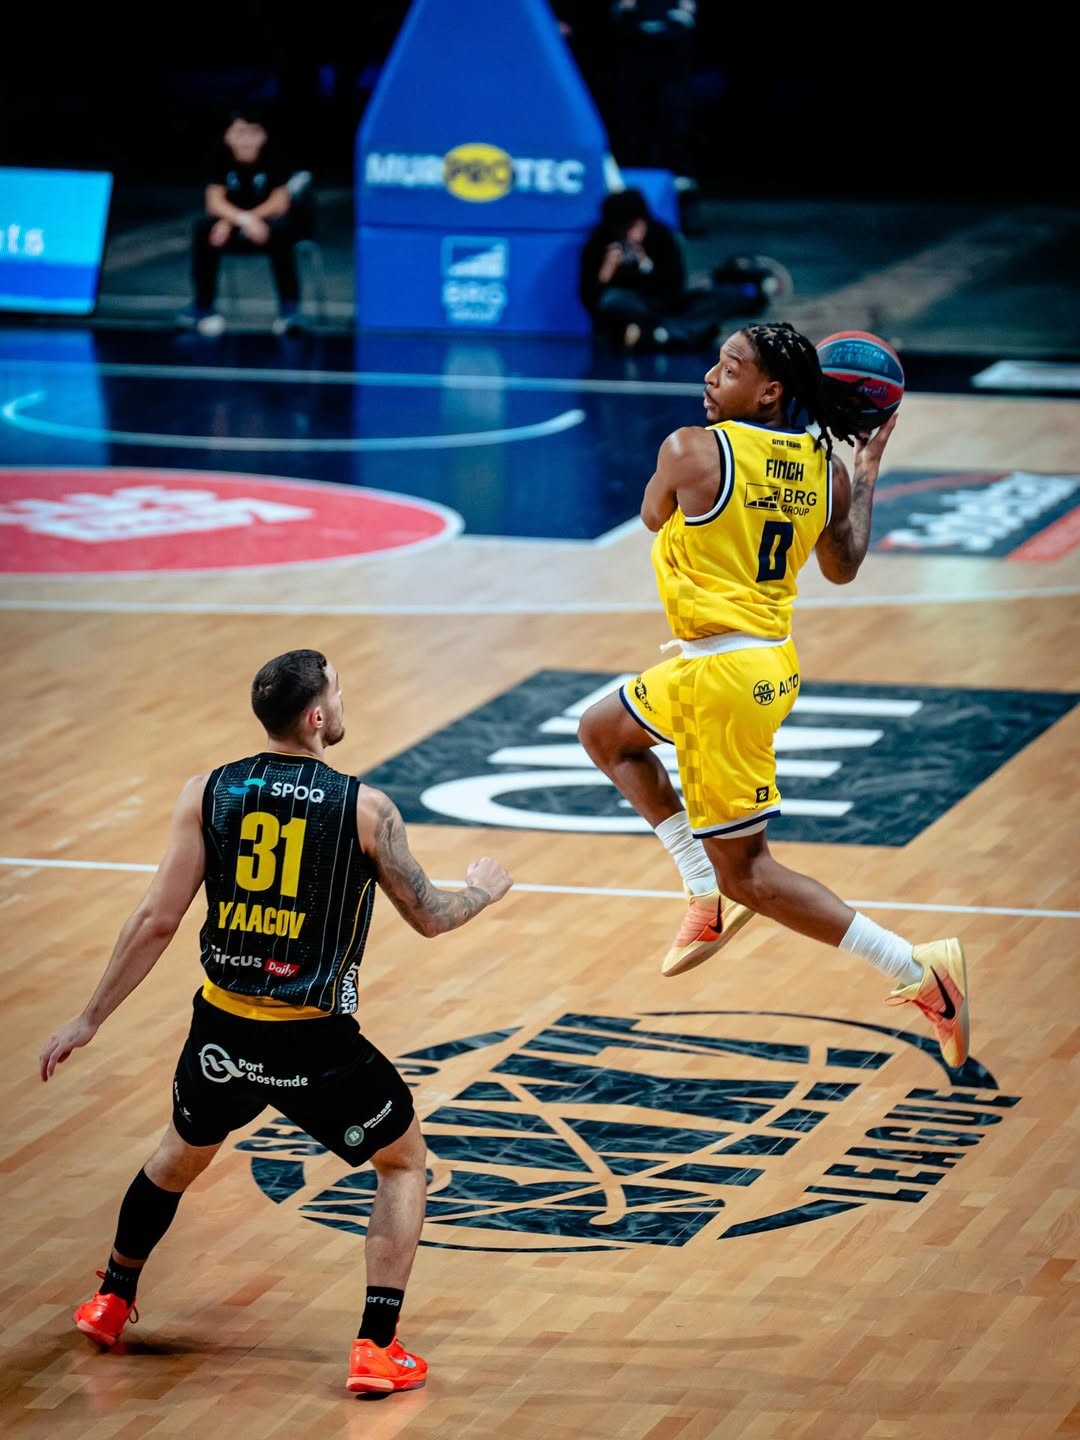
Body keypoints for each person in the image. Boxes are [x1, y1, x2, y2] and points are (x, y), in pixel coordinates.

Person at [39, 649, 513, 1395]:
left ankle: (112, 1299)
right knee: (403, 1163)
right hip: (314, 1041)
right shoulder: (365, 808)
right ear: (317, 717)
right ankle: (375, 1348)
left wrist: (88, 1018)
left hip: (222, 1031)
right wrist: (482, 891)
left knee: (176, 1158)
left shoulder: (208, 791)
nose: (345, 700)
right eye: (339, 691)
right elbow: (430, 916)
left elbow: (156, 919)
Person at [577, 322, 969, 1071]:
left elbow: (653, 517)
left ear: (770, 391)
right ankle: (704, 892)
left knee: (752, 874)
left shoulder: (691, 450)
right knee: (604, 731)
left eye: (729, 369)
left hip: (722, 682)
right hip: (752, 662)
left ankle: (921, 972)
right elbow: (843, 566)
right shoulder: (827, 469)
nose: (710, 376)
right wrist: (868, 468)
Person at [578, 188, 790, 352]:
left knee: (723, 297)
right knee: (613, 300)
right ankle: (681, 333)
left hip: (667, 308)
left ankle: (661, 335)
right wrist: (605, 274)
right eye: (620, 228)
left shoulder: (661, 236)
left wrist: (646, 266)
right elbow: (592, 301)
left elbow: (674, 290)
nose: (626, 234)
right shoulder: (599, 243)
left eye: (632, 226)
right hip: (634, 311)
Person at [179, 109, 303, 337]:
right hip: (231, 228)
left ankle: (290, 309)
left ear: (263, 136)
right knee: (204, 228)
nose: (247, 140)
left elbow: (280, 202)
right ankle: (203, 307)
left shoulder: (275, 156)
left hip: (265, 230)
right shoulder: (219, 156)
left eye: (253, 133)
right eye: (240, 133)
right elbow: (214, 201)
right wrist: (238, 220)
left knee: (282, 228)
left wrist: (251, 219)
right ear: (228, 136)